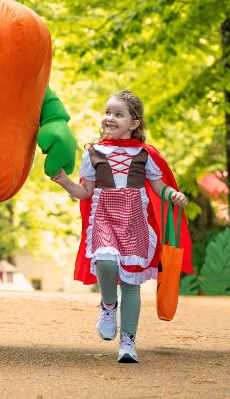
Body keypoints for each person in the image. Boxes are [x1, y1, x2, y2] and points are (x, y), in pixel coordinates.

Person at [51, 90, 192, 363]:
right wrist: (65, 182)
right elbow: (84, 192)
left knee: (131, 283)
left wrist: (172, 195)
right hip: (104, 216)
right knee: (105, 261)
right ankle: (107, 305)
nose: (110, 118)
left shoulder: (145, 154)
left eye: (118, 114)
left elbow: (159, 187)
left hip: (134, 222)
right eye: (108, 113)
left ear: (134, 123)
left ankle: (128, 342)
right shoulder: (94, 152)